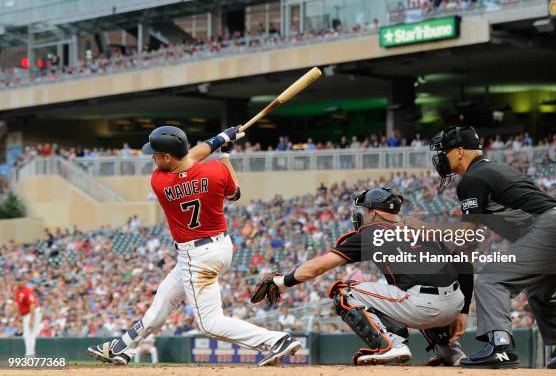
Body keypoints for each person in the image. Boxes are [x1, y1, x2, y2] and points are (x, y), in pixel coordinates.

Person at [88, 125, 301, 366]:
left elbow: (191, 157)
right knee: (163, 301)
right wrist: (225, 152)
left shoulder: (159, 181)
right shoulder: (216, 170)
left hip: (197, 255)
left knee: (209, 323)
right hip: (220, 247)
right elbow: (235, 194)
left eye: (156, 154)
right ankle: (121, 347)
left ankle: (276, 340)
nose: (153, 158)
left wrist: (219, 139)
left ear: (168, 157)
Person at [404, 126, 556, 369]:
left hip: (551, 228)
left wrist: (423, 227)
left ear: (460, 151)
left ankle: (501, 347)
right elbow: (468, 243)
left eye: (445, 151)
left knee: (491, 279)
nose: (441, 157)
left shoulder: (473, 178)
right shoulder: (491, 170)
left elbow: (465, 231)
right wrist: (463, 308)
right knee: (540, 294)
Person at [252, 188, 472, 366]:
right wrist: (462, 311)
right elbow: (464, 262)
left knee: (343, 291)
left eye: (363, 210)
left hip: (422, 306)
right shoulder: (422, 228)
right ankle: (449, 351)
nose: (361, 215)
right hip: (454, 304)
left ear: (373, 212)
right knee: (414, 288)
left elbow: (318, 267)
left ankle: (391, 345)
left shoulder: (372, 232)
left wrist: (283, 282)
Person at [14, 275, 41, 357]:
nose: (18, 282)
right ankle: (30, 354)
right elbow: (19, 305)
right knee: (28, 334)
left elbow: (32, 305)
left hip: (32, 313)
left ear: (24, 281)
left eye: (20, 280)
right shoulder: (17, 291)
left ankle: (30, 355)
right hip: (26, 314)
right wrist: (19, 315)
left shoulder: (27, 291)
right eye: (17, 280)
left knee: (29, 334)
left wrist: (32, 319)